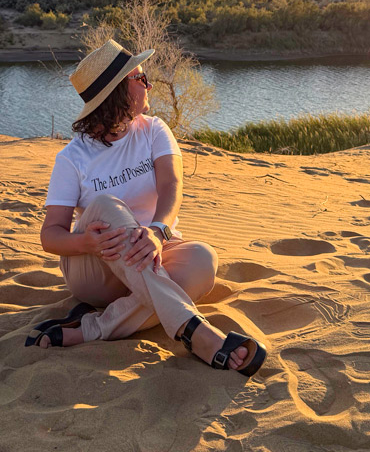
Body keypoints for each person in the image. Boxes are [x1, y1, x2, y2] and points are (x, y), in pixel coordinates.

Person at [26, 39, 266, 377]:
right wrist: (87, 243)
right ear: (117, 92)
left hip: (154, 254)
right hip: (97, 268)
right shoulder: (72, 158)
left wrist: (157, 231)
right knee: (107, 205)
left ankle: (92, 328)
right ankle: (195, 331)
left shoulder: (154, 130)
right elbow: (50, 236)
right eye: (140, 78)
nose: (148, 85)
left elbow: (172, 186)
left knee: (203, 260)